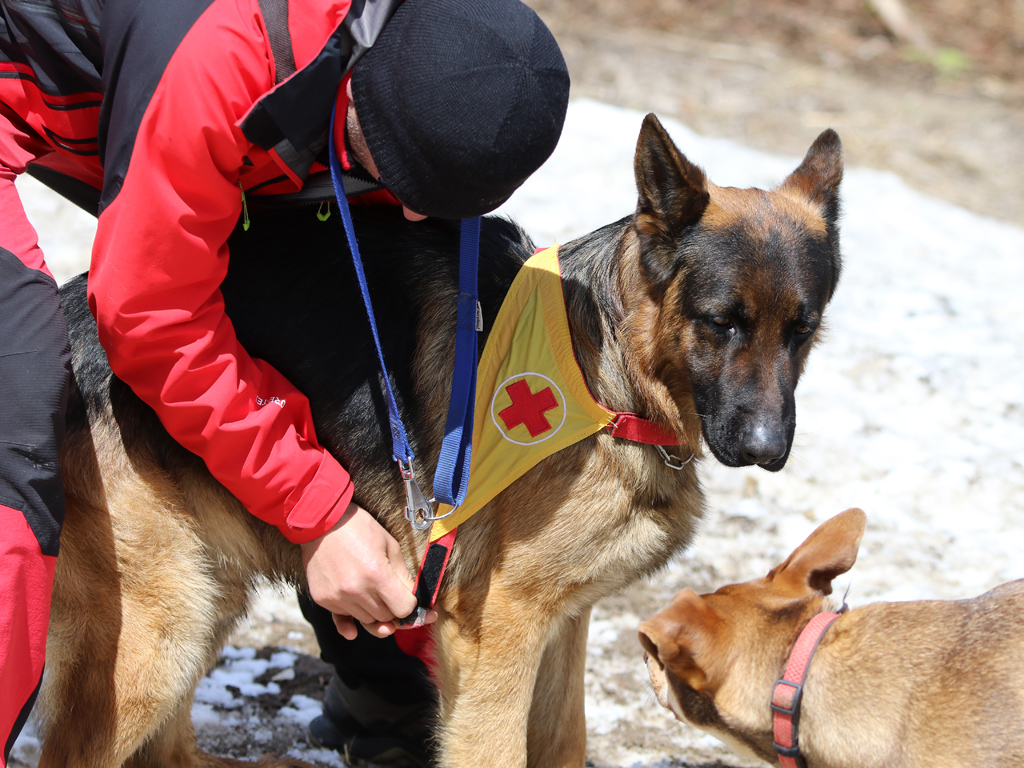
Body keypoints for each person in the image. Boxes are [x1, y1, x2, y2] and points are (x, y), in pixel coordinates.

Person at [0, 0, 570, 764]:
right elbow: (150, 318)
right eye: (392, 168)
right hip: (45, 89)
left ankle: (387, 685)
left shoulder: (435, 46)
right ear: (366, 76)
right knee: (20, 392)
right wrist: (321, 515)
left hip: (182, 105)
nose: (404, 206)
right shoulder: (225, 59)